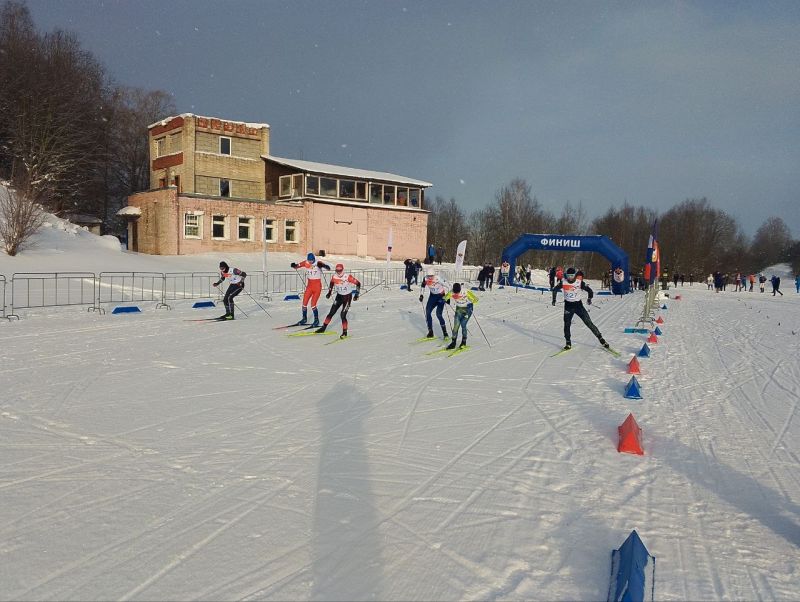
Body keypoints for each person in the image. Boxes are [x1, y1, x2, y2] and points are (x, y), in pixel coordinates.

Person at [551, 267, 608, 351]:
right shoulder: (563, 282)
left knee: (588, 323)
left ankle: (601, 339)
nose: (570, 277)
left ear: (575, 275)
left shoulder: (579, 282)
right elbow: (555, 290)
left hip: (578, 306)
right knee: (567, 324)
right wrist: (554, 299)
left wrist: (589, 299)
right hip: (568, 306)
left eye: (572, 275)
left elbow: (590, 291)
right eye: (569, 276)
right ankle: (568, 343)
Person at [315, 263, 361, 338]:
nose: (339, 272)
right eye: (337, 271)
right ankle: (323, 328)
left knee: (343, 315)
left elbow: (358, 283)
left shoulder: (347, 277)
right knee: (331, 312)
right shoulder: (334, 276)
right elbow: (331, 283)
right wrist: (329, 293)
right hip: (339, 296)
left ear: (342, 270)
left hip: (347, 297)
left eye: (340, 270)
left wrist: (356, 294)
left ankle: (345, 332)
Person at [290, 252, 331, 326]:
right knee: (304, 303)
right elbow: (297, 266)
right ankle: (304, 319)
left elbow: (327, 268)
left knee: (313, 304)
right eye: (309, 260)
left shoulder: (318, 263)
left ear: (314, 259)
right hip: (309, 286)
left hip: (317, 287)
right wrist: (294, 265)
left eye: (312, 260)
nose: (311, 262)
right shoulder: (306, 262)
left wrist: (325, 266)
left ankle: (316, 320)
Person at [444, 282, 478, 350]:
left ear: (460, 289)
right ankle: (453, 343)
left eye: (458, 292)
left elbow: (476, 299)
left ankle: (463, 342)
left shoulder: (465, 291)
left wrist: (471, 303)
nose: (456, 294)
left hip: (467, 310)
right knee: (455, 327)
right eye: (455, 292)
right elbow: (445, 297)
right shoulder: (452, 292)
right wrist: (445, 299)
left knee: (463, 324)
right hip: (459, 309)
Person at [419, 266, 449, 339]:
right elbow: (423, 286)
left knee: (438, 314)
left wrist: (447, 297)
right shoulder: (425, 278)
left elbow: (448, 286)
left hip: (441, 296)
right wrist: (421, 295)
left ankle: (445, 333)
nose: (430, 277)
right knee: (428, 312)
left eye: (431, 276)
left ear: (434, 274)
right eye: (429, 276)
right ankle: (430, 332)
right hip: (432, 296)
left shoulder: (438, 278)